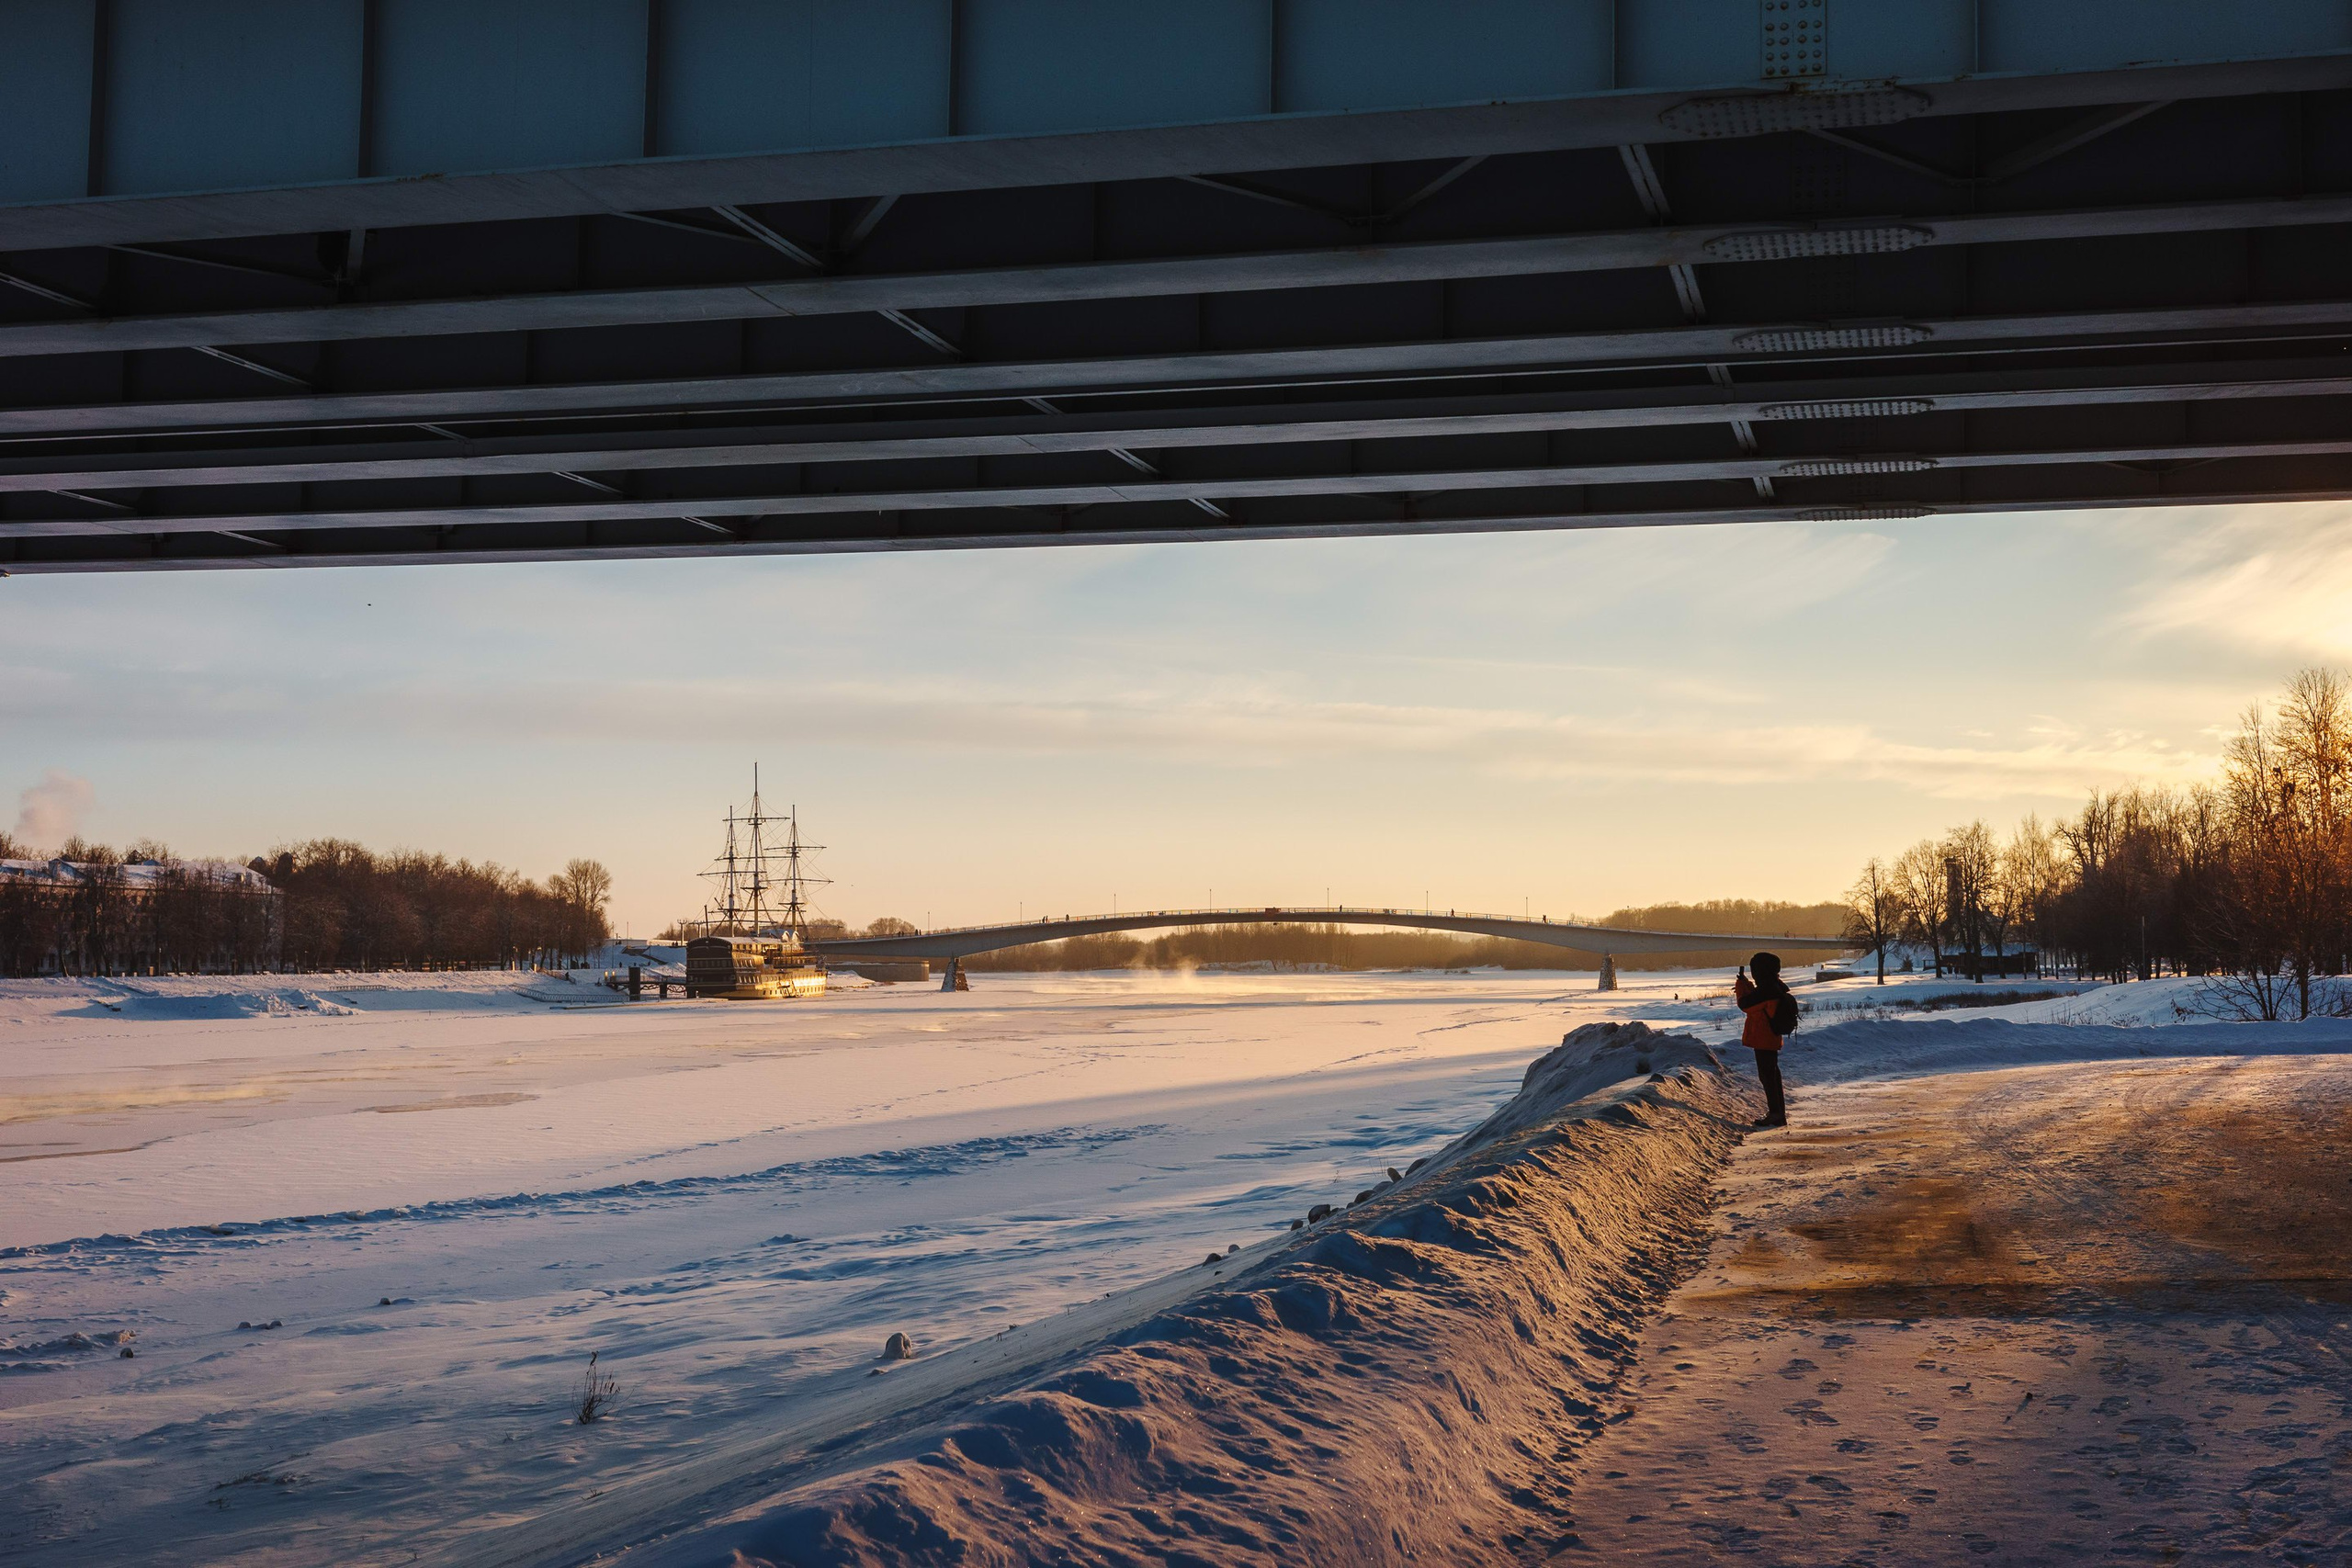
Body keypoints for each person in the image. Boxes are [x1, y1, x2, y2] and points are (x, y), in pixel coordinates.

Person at [1732, 951, 1796, 1129]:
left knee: (1768, 1076)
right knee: (1772, 1074)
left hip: (1764, 1038)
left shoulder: (1767, 990)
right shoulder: (1774, 986)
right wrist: (1748, 986)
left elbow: (1746, 1005)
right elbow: (1757, 1000)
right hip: (1770, 1037)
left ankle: (1775, 1114)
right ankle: (1778, 1113)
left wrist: (1740, 986)